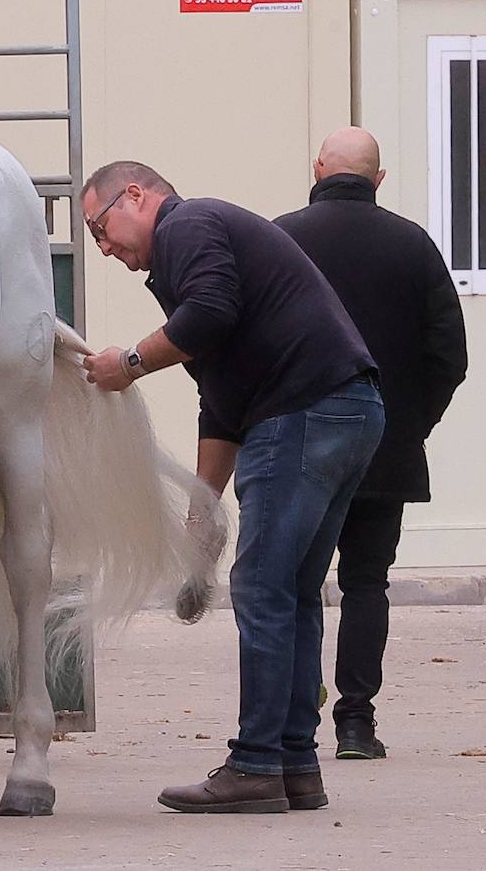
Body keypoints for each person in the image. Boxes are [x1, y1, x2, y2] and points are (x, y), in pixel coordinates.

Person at [79, 161, 384, 814]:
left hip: (302, 408)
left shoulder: (189, 225)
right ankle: (295, 764)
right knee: (294, 590)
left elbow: (211, 315)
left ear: (135, 196)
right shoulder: (196, 251)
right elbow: (220, 401)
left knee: (262, 587)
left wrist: (127, 364)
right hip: (347, 409)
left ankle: (253, 764)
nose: (104, 250)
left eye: (100, 229)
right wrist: (201, 506)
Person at [275, 127, 467, 760]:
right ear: (378, 180)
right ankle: (356, 723)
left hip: (298, 444)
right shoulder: (414, 246)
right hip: (385, 445)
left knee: (294, 585)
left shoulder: (284, 239)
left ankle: (287, 723)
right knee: (366, 584)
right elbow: (449, 356)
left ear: (318, 167)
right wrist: (411, 425)